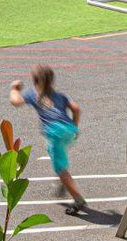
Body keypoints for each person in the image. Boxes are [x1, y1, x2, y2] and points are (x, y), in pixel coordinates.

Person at [9, 65, 86, 215]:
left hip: (54, 132)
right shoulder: (60, 96)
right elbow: (76, 109)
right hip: (68, 129)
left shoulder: (34, 95)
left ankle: (77, 198)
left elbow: (16, 101)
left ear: (35, 81)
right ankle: (64, 181)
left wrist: (14, 88)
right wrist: (75, 128)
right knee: (54, 151)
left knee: (60, 167)